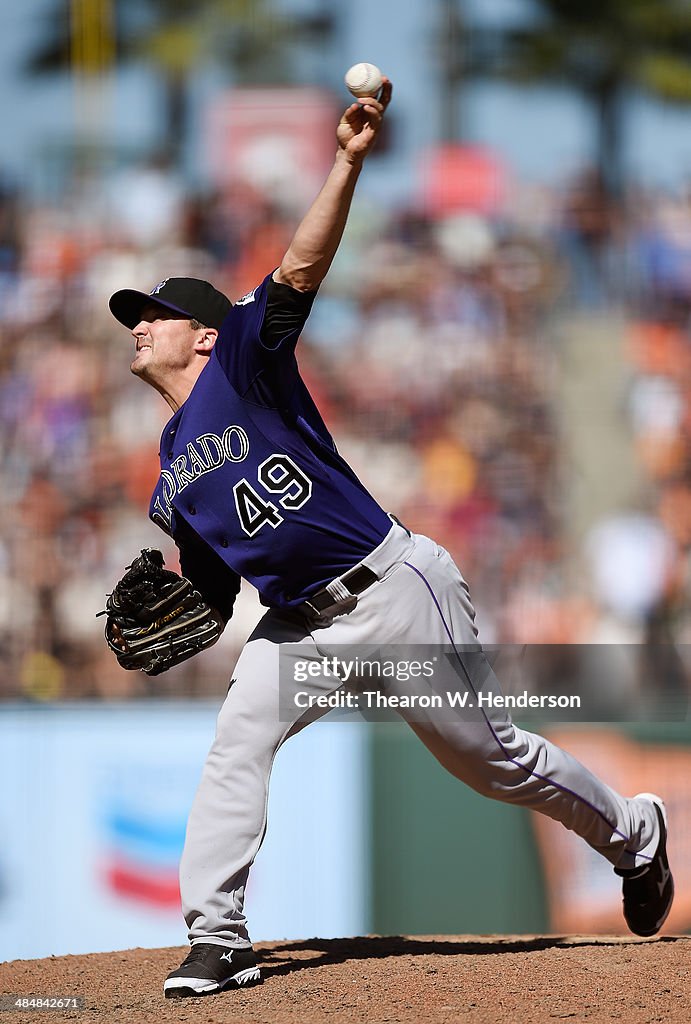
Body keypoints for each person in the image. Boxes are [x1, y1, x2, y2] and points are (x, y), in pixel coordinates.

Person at [108, 79, 674, 1000]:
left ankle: (633, 834)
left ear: (203, 337)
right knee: (237, 740)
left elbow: (299, 267)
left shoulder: (246, 363)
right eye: (134, 316)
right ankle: (218, 936)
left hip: (393, 593)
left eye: (153, 313)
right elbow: (215, 590)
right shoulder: (168, 470)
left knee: (491, 762)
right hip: (302, 632)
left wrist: (347, 160)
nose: (137, 325)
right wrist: (186, 615)